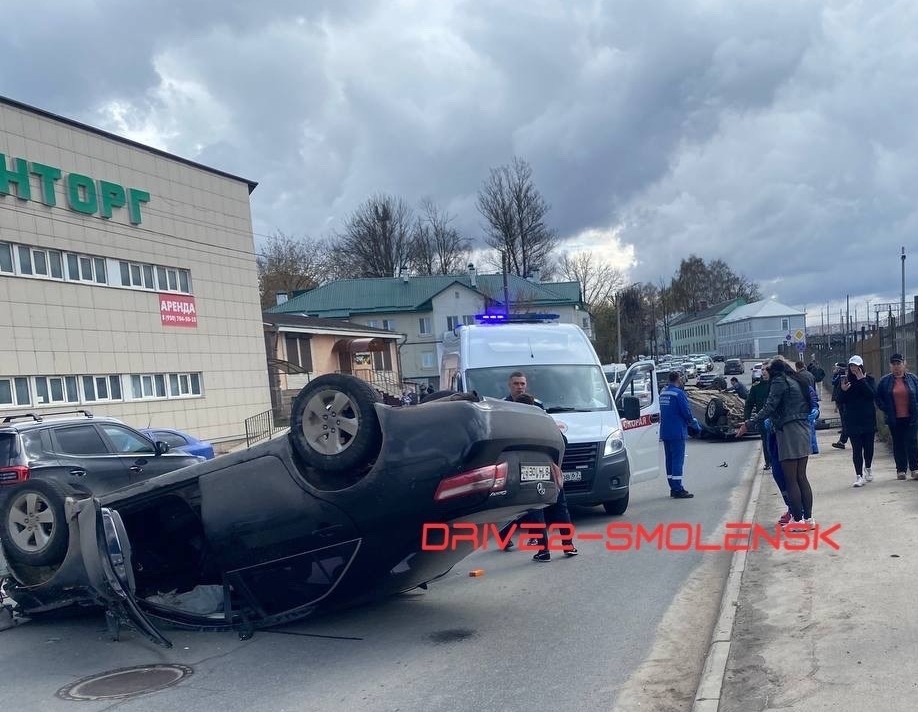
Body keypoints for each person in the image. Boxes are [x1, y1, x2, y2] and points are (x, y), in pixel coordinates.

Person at [736, 356, 816, 531]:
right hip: (803, 429)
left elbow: (769, 407)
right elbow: (811, 402)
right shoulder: (797, 380)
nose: (766, 372)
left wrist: (749, 423)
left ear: (775, 371)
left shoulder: (779, 381)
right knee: (801, 477)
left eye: (768, 370)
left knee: (790, 479)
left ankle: (798, 521)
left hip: (788, 431)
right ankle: (809, 519)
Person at [874, 353, 918, 480]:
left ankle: (914, 469)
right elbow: (878, 398)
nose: (896, 366)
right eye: (894, 364)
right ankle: (901, 470)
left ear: (904, 364)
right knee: (898, 443)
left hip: (911, 417)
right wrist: (886, 408)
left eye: (899, 363)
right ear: (890, 366)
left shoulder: (913, 379)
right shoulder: (885, 381)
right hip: (895, 418)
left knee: (912, 442)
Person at [659, 370, 701, 499]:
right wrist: (694, 425)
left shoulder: (663, 394)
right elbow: (686, 412)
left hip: (665, 431)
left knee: (669, 460)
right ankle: (678, 488)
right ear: (678, 379)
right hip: (677, 431)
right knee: (678, 460)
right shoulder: (679, 394)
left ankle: (672, 487)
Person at [835, 355, 877, 487]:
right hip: (852, 420)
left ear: (861, 367)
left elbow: (872, 395)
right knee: (857, 449)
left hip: (867, 419)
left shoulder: (869, 379)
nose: (854, 368)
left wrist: (862, 381)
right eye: (852, 366)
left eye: (856, 366)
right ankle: (859, 475)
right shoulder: (846, 381)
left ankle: (868, 468)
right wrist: (843, 391)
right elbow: (839, 399)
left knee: (868, 447)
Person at [744, 371, 771, 470]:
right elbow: (749, 403)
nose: (764, 372)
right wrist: (747, 418)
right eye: (762, 370)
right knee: (766, 440)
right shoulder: (756, 387)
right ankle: (768, 462)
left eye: (766, 369)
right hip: (762, 418)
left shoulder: (776, 384)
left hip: (776, 418)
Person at [796, 360, 819, 454]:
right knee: (812, 427)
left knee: (806, 429)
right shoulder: (810, 374)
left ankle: (809, 448)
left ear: (797, 367)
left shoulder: (798, 376)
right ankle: (815, 448)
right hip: (812, 400)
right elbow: (814, 388)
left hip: (804, 402)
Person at [831, 363, 849, 449]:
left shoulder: (842, 376)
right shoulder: (841, 376)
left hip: (845, 404)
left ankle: (842, 441)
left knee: (846, 423)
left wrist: (836, 374)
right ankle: (842, 440)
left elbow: (834, 382)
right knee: (846, 423)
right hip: (842, 402)